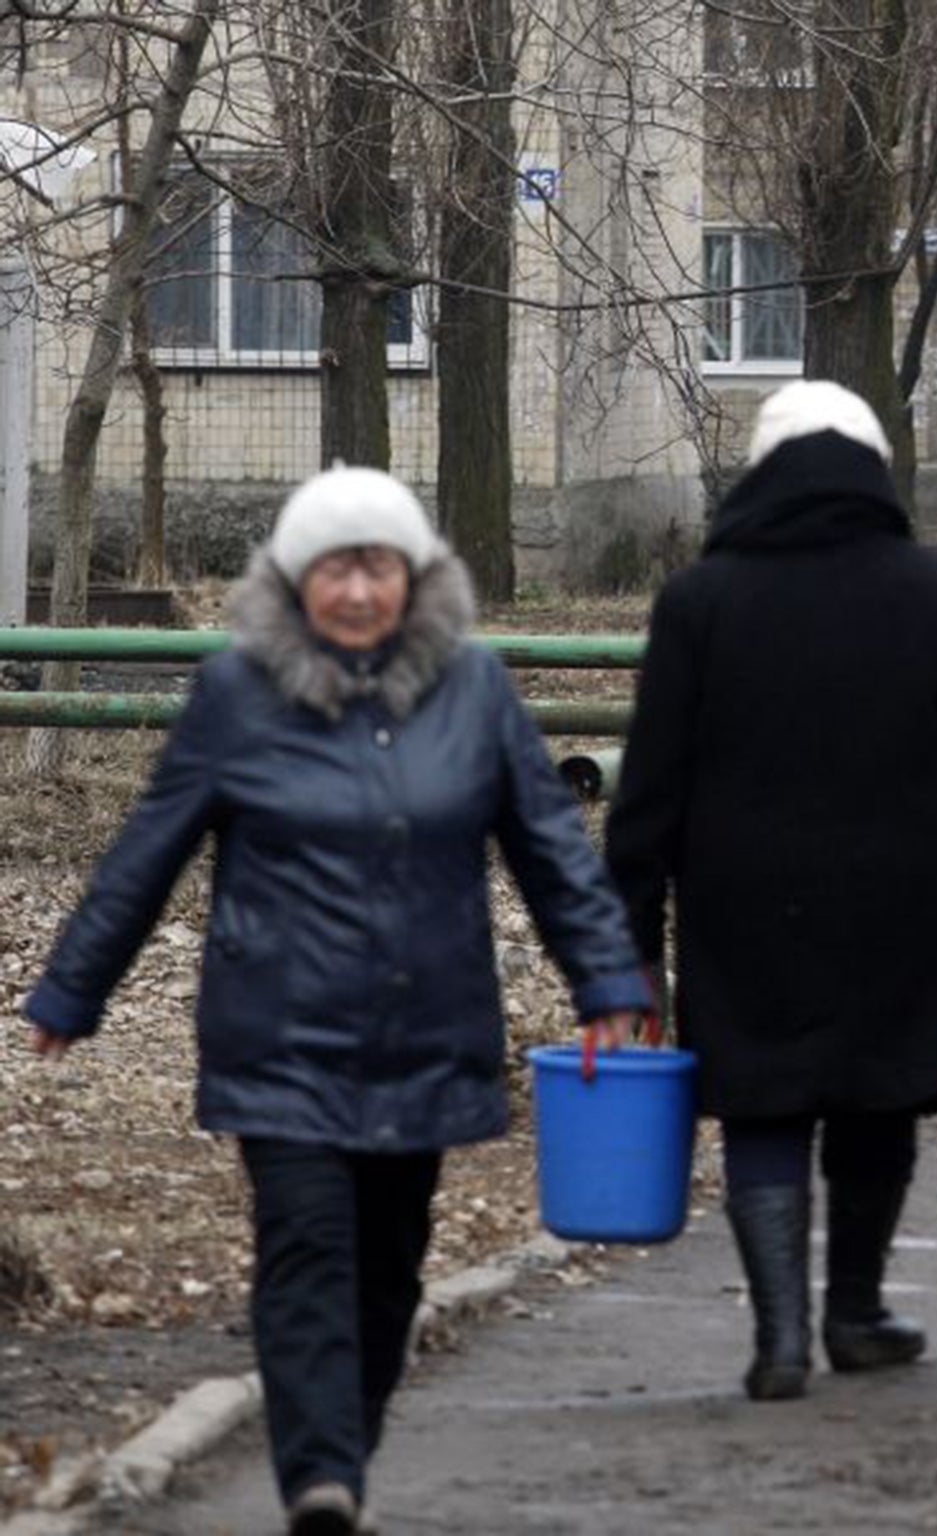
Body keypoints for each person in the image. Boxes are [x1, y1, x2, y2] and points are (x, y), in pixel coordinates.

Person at [22, 467, 651, 1536]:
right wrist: (73, 989)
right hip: (280, 1034)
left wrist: (605, 983)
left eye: (379, 567)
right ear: (296, 579)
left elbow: (551, 848)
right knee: (305, 1248)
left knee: (388, 1266)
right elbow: (147, 850)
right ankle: (321, 1483)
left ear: (413, 577)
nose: (358, 592)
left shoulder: (475, 690)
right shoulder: (237, 693)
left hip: (429, 1028)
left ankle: (339, 1443)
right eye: (335, 569)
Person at [606, 381, 937, 1404]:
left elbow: (649, 787)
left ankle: (779, 1338)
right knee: (874, 1102)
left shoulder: (698, 601)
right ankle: (854, 1314)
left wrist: (625, 940)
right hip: (903, 904)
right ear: (872, 470)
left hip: (741, 903)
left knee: (763, 1107)